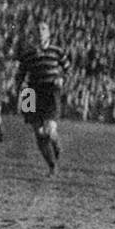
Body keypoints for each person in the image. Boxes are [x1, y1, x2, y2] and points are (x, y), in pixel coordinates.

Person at [17, 20, 68, 174]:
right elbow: (20, 74)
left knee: (50, 131)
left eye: (43, 29)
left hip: (50, 91)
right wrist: (20, 88)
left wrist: (62, 79)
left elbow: (67, 69)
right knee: (38, 132)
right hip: (31, 93)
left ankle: (56, 144)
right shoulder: (27, 54)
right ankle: (52, 166)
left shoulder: (57, 51)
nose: (40, 32)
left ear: (49, 33)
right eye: (37, 29)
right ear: (33, 34)